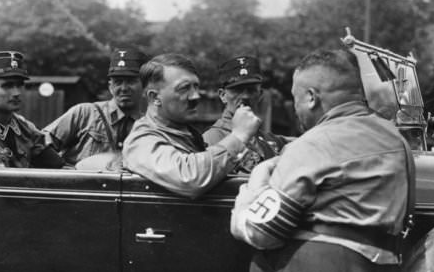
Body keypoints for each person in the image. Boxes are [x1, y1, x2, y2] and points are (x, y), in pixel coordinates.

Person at [230, 49, 413, 272]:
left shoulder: (313, 144)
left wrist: (255, 183)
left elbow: (261, 232)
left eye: (296, 99)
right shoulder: (396, 140)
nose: (297, 109)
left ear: (312, 97)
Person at [122, 53, 262, 199]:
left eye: (196, 87)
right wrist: (238, 136)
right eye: (184, 88)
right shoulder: (141, 141)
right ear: (155, 97)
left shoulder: (185, 137)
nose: (196, 96)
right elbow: (189, 177)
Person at [43, 47, 147, 168]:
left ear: (144, 86)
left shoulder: (147, 126)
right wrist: (64, 170)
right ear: (110, 86)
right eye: (118, 82)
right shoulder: (84, 114)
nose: (124, 88)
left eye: (131, 81)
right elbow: (40, 144)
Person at [203, 56, 291, 172]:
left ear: (260, 95)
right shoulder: (211, 138)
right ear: (223, 95)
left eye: (251, 90)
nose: (245, 96)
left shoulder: (268, 140)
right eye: (237, 90)